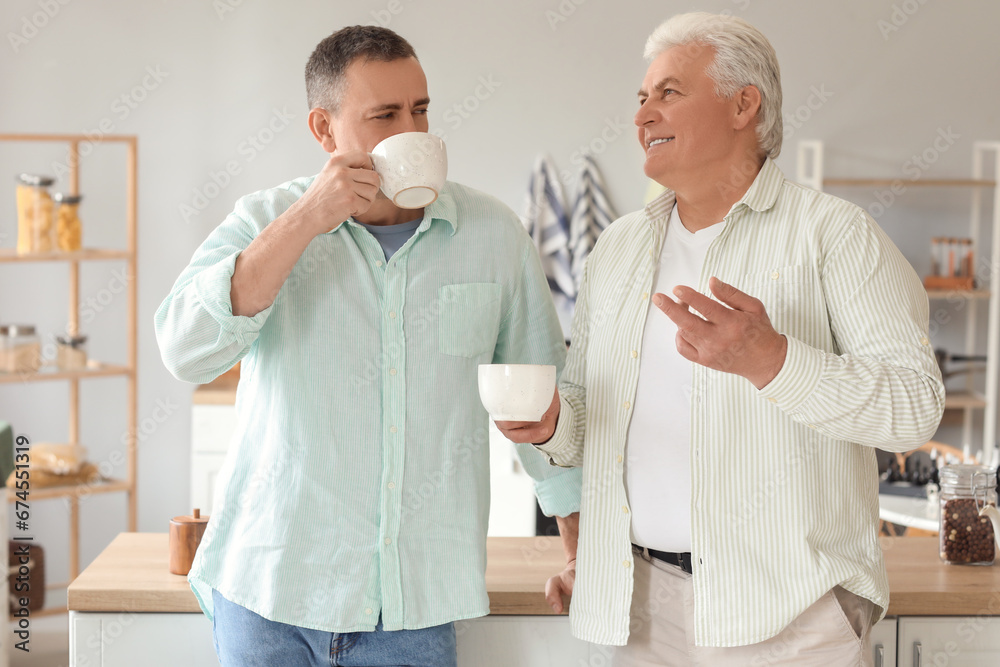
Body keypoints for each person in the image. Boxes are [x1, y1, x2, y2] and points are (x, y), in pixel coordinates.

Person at [497, 11, 945, 666]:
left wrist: (772, 359)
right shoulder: (616, 249)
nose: (643, 114)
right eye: (641, 97)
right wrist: (549, 425)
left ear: (744, 105)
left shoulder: (836, 236)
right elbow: (587, 419)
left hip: (795, 615)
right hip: (641, 606)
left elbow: (914, 409)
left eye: (669, 92)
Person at [154, 25, 581, 667]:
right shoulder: (266, 219)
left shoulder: (494, 236)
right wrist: (305, 220)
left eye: (421, 110)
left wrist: (581, 553)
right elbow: (184, 349)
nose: (413, 131)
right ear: (324, 131)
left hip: (414, 607)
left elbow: (548, 409)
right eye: (384, 116)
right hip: (267, 594)